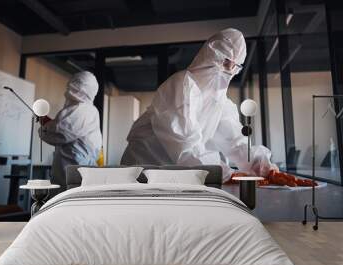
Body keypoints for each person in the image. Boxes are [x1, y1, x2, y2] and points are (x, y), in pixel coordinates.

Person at [121, 28, 313, 186]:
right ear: (210, 54)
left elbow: (237, 143)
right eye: (225, 60)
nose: (228, 69)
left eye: (234, 65)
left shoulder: (220, 104)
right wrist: (228, 175)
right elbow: (186, 149)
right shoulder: (182, 85)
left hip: (170, 180)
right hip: (141, 173)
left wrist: (265, 169)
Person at [39, 71, 102, 186]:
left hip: (74, 173)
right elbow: (62, 130)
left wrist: (45, 124)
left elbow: (58, 133)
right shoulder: (88, 110)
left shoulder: (81, 110)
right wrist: (49, 124)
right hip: (76, 172)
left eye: (74, 83)